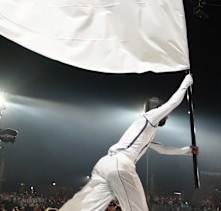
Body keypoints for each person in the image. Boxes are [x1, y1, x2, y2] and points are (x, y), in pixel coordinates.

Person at [59, 74, 198, 211]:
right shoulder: (150, 117)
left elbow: (163, 149)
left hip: (105, 164)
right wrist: (185, 84)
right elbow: (172, 103)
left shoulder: (147, 130)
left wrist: (187, 150)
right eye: (164, 113)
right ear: (156, 109)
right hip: (120, 164)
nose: (166, 116)